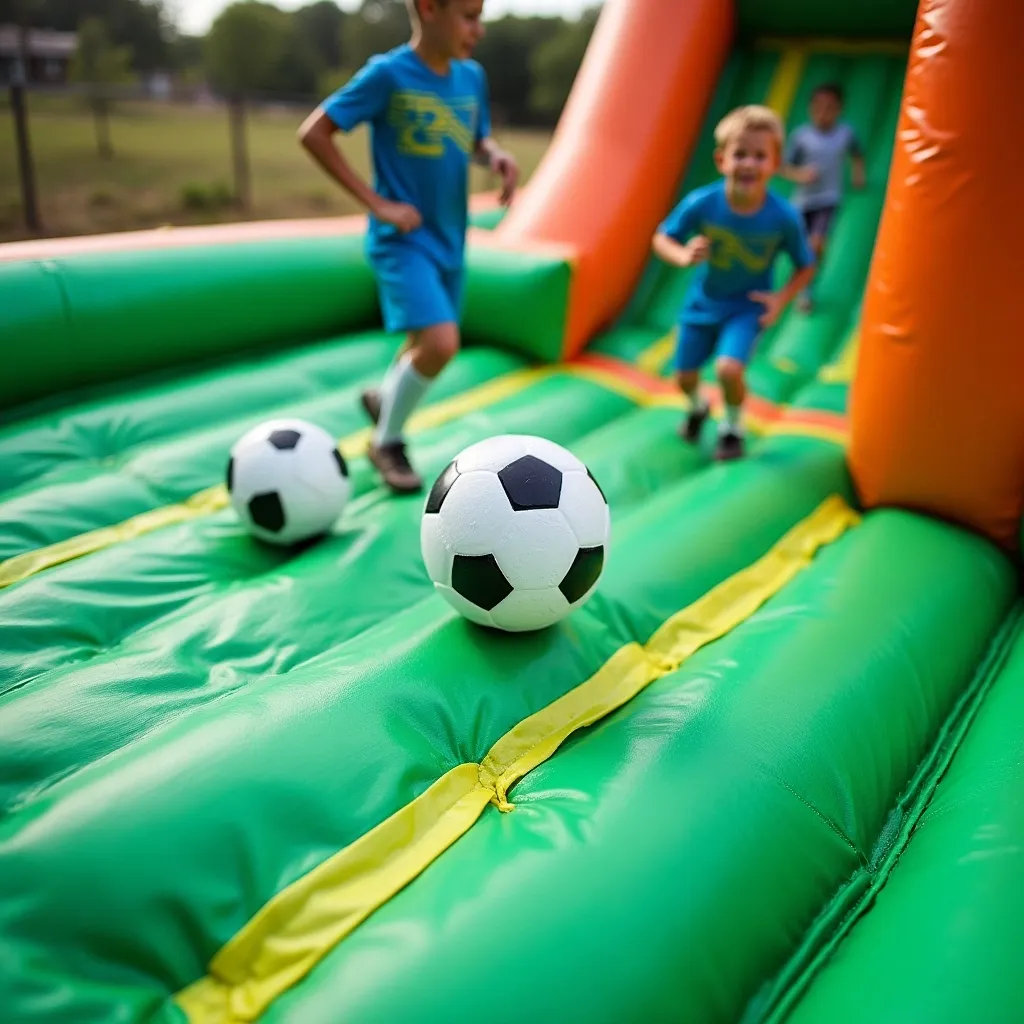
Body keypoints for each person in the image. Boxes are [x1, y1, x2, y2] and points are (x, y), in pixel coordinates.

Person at [297, 0, 518, 493]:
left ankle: (385, 397)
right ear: (428, 9)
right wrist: (378, 203)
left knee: (424, 343)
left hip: (450, 240)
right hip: (403, 241)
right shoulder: (389, 75)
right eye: (468, 16)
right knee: (441, 344)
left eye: (480, 16)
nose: (478, 30)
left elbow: (475, 138)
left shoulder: (471, 76)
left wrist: (495, 154)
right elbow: (314, 132)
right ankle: (386, 441)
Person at [651, 105, 816, 461]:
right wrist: (682, 255)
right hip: (703, 304)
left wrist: (780, 300)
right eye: (740, 154)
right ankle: (698, 408)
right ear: (721, 159)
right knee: (684, 378)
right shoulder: (703, 203)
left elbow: (806, 265)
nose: (749, 164)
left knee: (728, 369)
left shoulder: (783, 217)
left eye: (760, 156)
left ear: (774, 164)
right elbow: (662, 237)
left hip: (745, 307)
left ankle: (733, 429)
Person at [781, 82, 866, 312]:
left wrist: (858, 175)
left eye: (830, 108)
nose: (823, 113)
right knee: (800, 246)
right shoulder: (802, 136)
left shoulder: (845, 133)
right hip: (803, 200)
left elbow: (857, 155)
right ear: (810, 109)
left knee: (816, 244)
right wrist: (800, 174)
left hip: (829, 199)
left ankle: (806, 290)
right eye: (818, 107)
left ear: (839, 110)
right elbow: (785, 166)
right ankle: (799, 280)